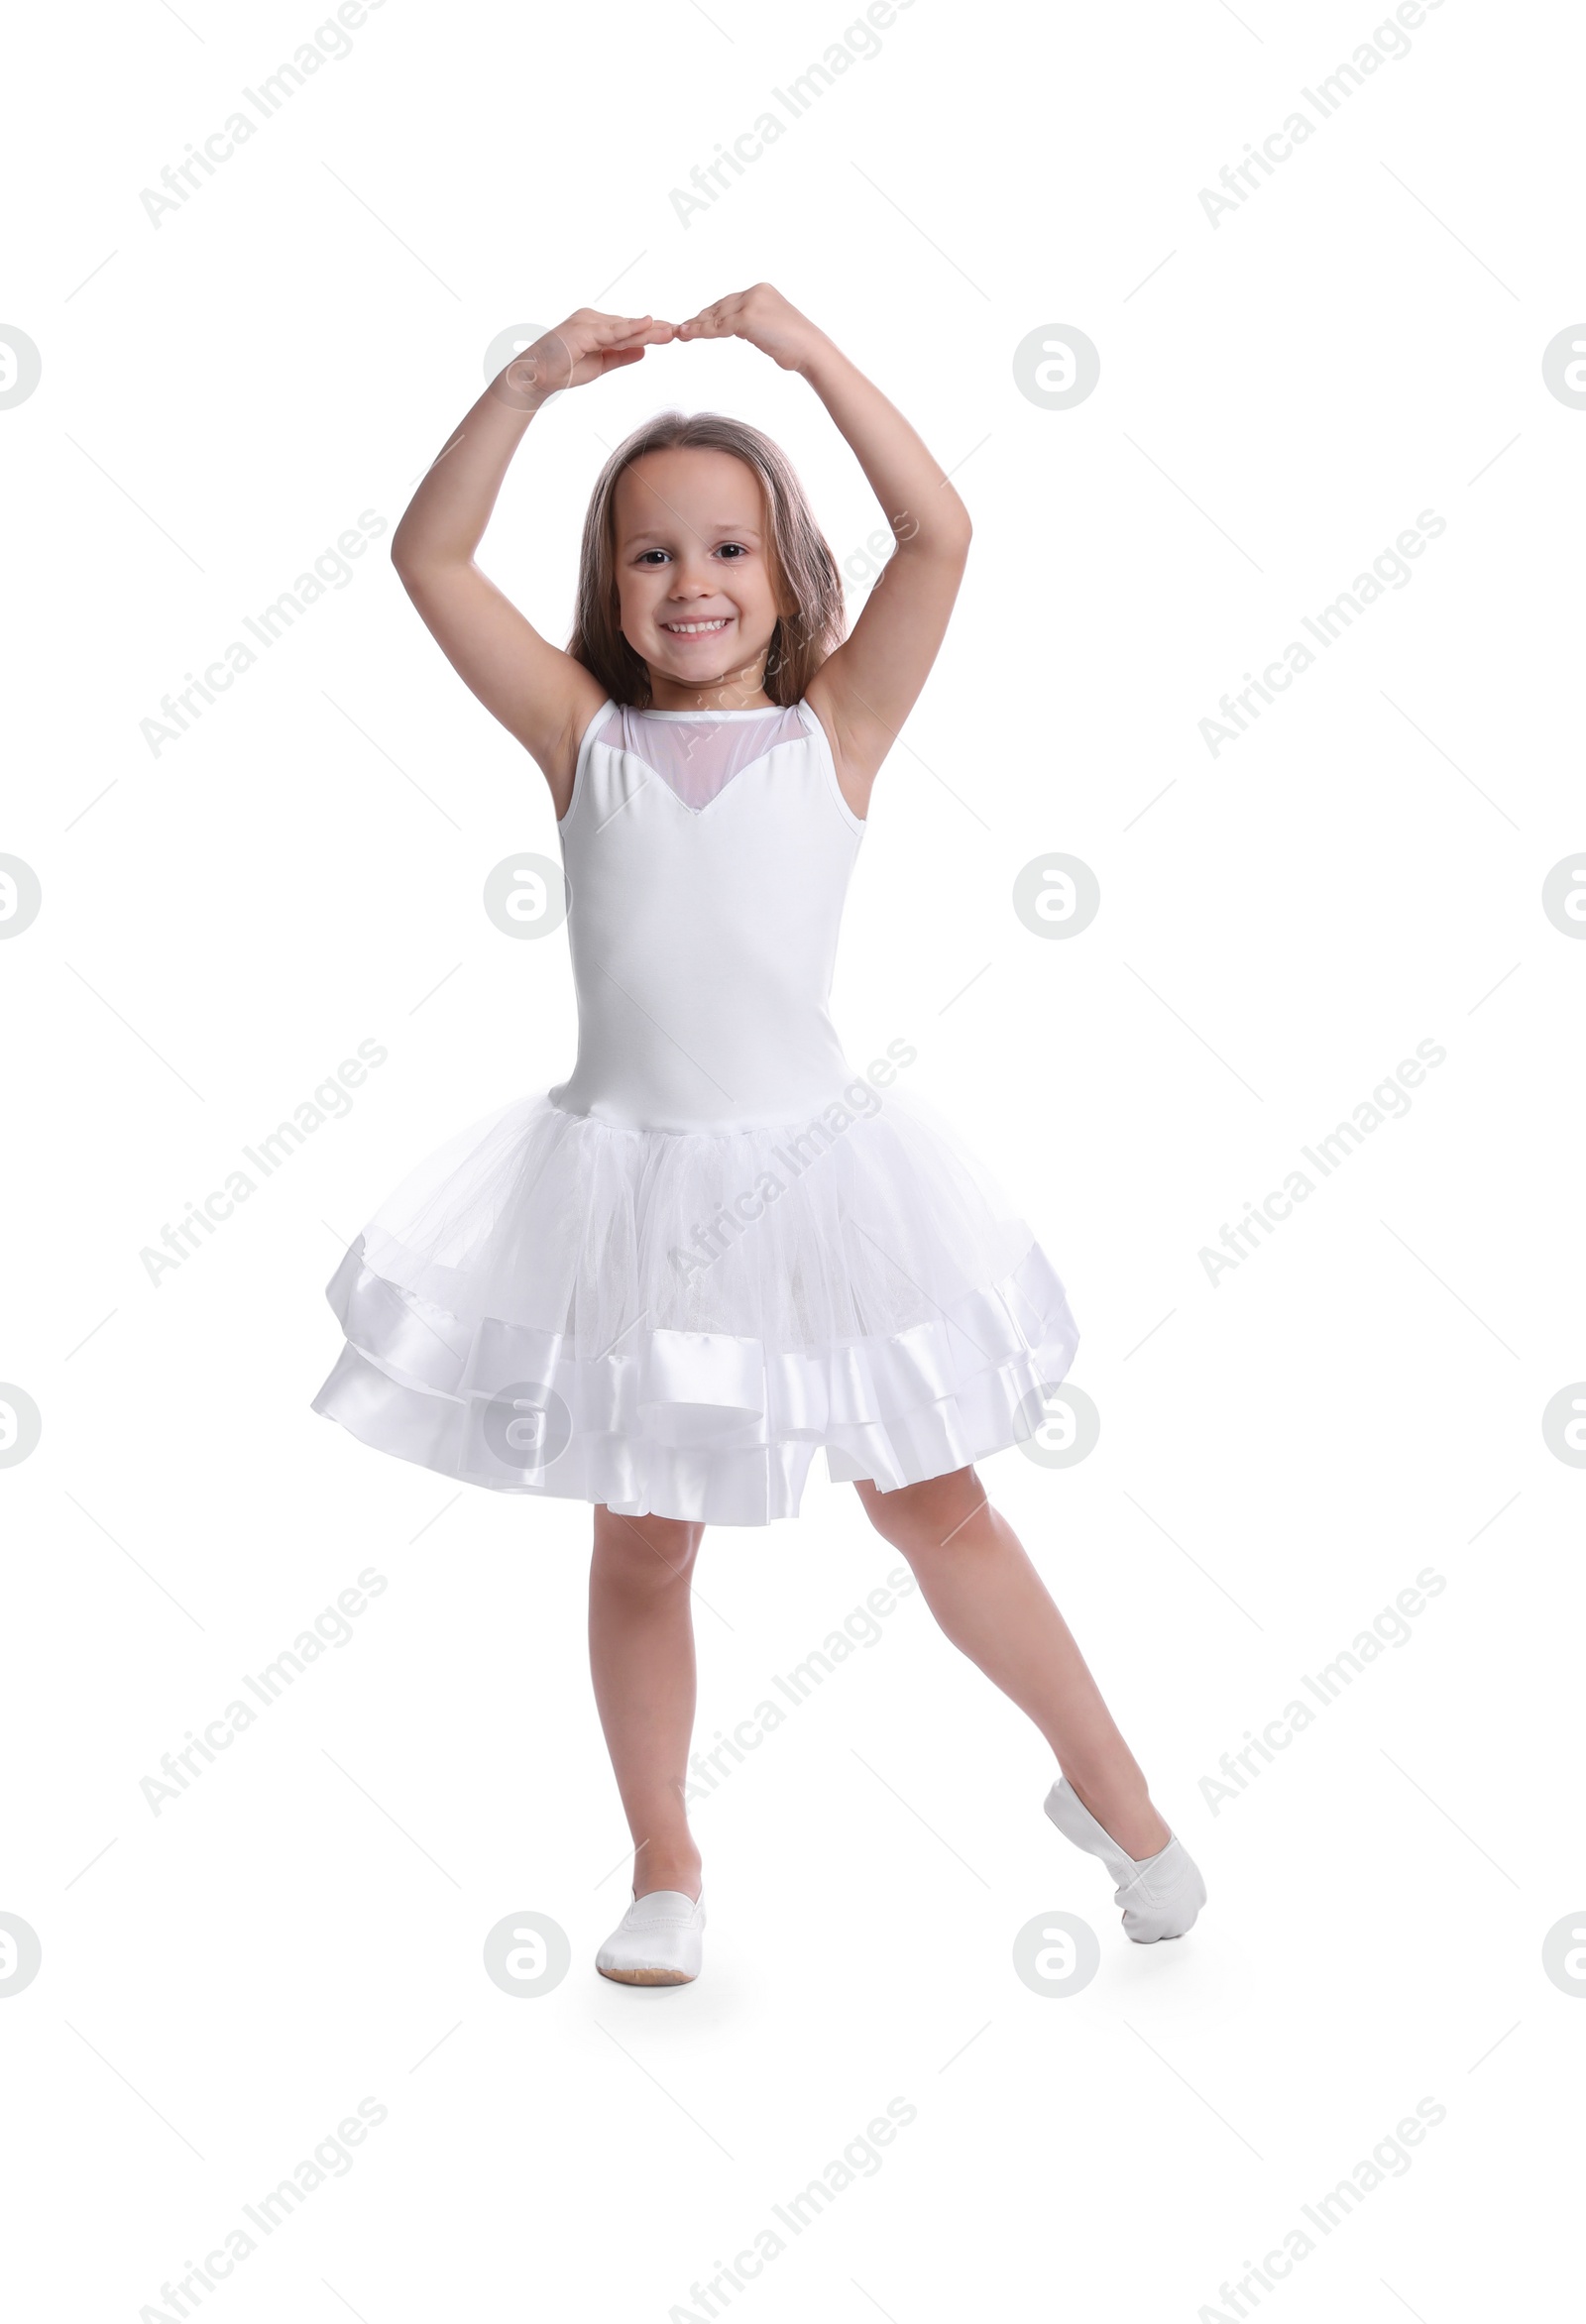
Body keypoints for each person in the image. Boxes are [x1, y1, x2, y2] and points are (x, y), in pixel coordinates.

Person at [311, 285, 1205, 1985]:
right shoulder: (585, 741)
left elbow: (941, 529)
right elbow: (430, 562)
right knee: (643, 1536)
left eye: (729, 548)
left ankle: (1122, 1803)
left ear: (789, 572)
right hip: (626, 1191)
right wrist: (522, 384)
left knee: (939, 1510)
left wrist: (805, 355)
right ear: (611, 586)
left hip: (816, 1184)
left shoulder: (836, 735)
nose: (693, 583)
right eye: (651, 556)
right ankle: (665, 1863)